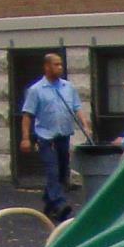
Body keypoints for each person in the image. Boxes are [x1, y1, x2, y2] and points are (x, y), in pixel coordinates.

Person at [19, 50, 85, 216]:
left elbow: (77, 107)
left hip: (63, 135)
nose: (60, 67)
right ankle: (60, 203)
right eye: (56, 64)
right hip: (45, 137)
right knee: (52, 170)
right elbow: (27, 115)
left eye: (61, 64)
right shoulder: (36, 90)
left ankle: (49, 203)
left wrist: (85, 124)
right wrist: (25, 138)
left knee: (63, 171)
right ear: (47, 67)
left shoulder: (68, 87)